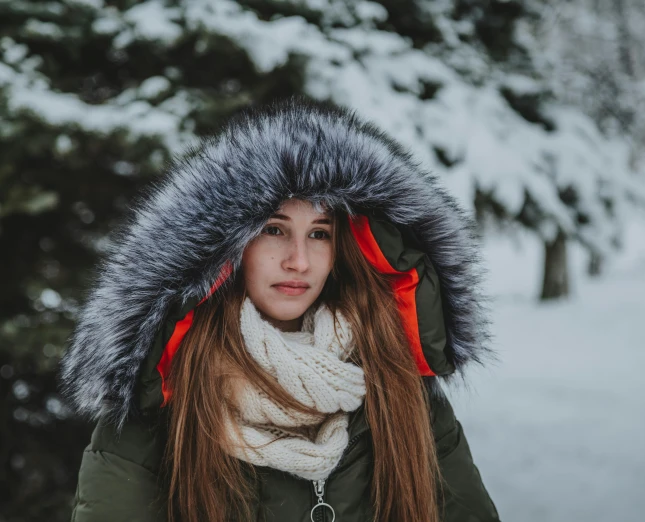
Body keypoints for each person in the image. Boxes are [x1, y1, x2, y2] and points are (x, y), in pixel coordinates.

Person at [58, 97, 501, 522]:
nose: (298, 261)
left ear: (346, 248)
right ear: (229, 249)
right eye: (274, 229)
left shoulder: (399, 384)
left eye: (319, 234)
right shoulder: (162, 398)